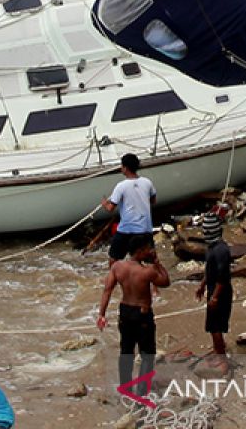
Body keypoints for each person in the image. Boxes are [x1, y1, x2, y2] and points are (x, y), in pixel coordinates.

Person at [97, 234, 170, 394]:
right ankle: (142, 391)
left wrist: (101, 314)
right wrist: (157, 263)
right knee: (147, 354)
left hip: (125, 312)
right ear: (140, 251)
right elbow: (165, 281)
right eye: (147, 249)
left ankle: (126, 386)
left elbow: (107, 290)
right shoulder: (147, 271)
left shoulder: (117, 267)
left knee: (126, 351)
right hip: (142, 313)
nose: (149, 251)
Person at [100, 153, 157, 265]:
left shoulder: (121, 186)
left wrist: (104, 203)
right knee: (152, 260)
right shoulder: (147, 182)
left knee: (114, 259)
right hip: (145, 229)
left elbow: (110, 208)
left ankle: (115, 280)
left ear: (125, 168)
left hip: (127, 229)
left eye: (122, 166)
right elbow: (153, 201)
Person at [195, 211, 232, 372]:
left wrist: (215, 297)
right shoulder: (211, 248)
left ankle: (222, 358)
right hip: (212, 290)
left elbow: (223, 277)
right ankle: (219, 349)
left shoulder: (221, 250)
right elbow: (210, 271)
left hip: (220, 293)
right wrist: (202, 285)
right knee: (212, 325)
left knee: (215, 326)